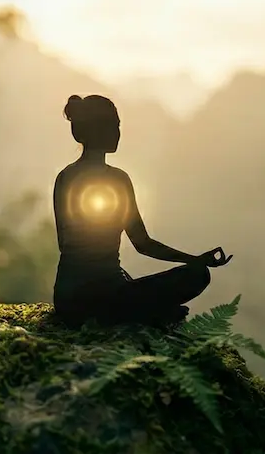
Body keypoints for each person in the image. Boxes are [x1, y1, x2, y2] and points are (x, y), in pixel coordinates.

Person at [52, 94, 231, 327]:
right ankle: (144, 312)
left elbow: (63, 244)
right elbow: (143, 243)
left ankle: (140, 310)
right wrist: (195, 260)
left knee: (127, 290)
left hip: (67, 300)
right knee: (198, 275)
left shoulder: (64, 177)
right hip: (107, 296)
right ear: (99, 130)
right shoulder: (118, 180)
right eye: (114, 126)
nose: (118, 133)